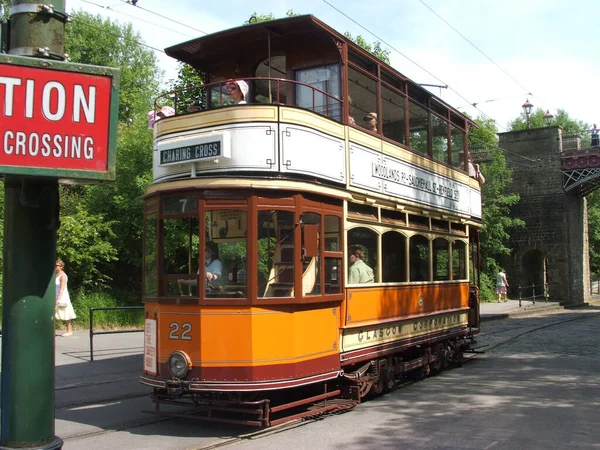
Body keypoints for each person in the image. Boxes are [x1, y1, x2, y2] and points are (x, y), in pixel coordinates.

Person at [55, 259, 76, 337]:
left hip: (62, 297)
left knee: (66, 314)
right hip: (55, 296)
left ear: (61, 266)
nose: (55, 267)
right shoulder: (56, 275)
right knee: (54, 314)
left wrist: (58, 299)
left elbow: (62, 289)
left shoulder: (63, 276)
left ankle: (69, 331)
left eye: (56, 265)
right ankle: (51, 331)